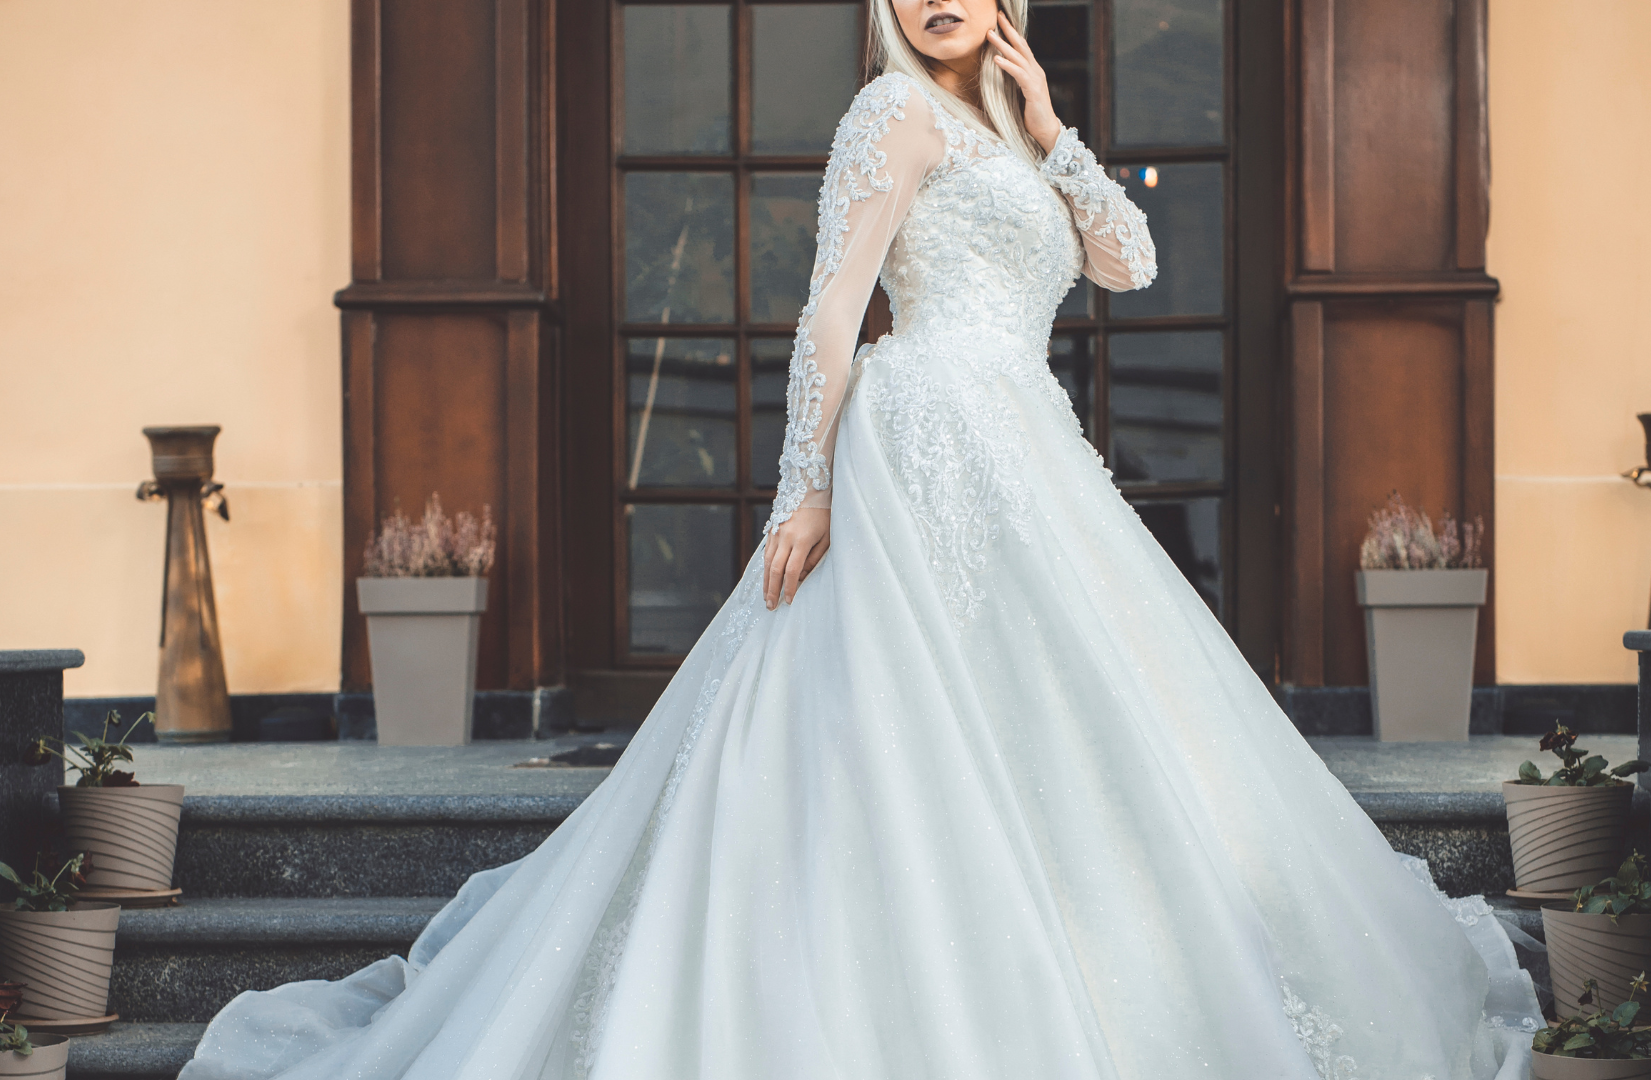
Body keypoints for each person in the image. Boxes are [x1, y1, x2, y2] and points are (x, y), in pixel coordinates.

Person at [182, 2, 1542, 1077]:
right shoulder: (888, 112)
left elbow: (1129, 261)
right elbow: (829, 316)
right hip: (926, 432)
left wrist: (1053, 121)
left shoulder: (1011, 127)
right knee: (900, 720)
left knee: (1057, 719)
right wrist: (806, 492)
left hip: (1026, 444)